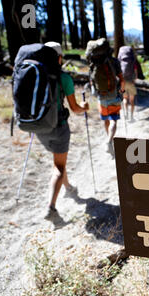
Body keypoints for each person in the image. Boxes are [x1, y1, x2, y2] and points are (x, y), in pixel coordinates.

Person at [35, 42, 89, 218]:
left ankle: (68, 187)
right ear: (59, 58)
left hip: (39, 128)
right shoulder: (64, 78)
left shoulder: (35, 75)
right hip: (59, 127)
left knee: (58, 160)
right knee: (58, 166)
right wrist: (85, 107)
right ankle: (50, 207)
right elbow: (74, 108)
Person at [93, 43, 125, 156]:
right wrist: (122, 91)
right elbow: (122, 80)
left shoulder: (94, 63)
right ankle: (109, 140)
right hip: (114, 95)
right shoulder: (115, 62)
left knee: (106, 119)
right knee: (113, 120)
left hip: (101, 97)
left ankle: (109, 139)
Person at [118, 46, 138, 122]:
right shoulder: (133, 61)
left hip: (123, 83)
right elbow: (136, 74)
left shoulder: (120, 61)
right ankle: (131, 117)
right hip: (131, 82)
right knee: (132, 100)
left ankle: (125, 115)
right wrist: (134, 79)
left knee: (125, 99)